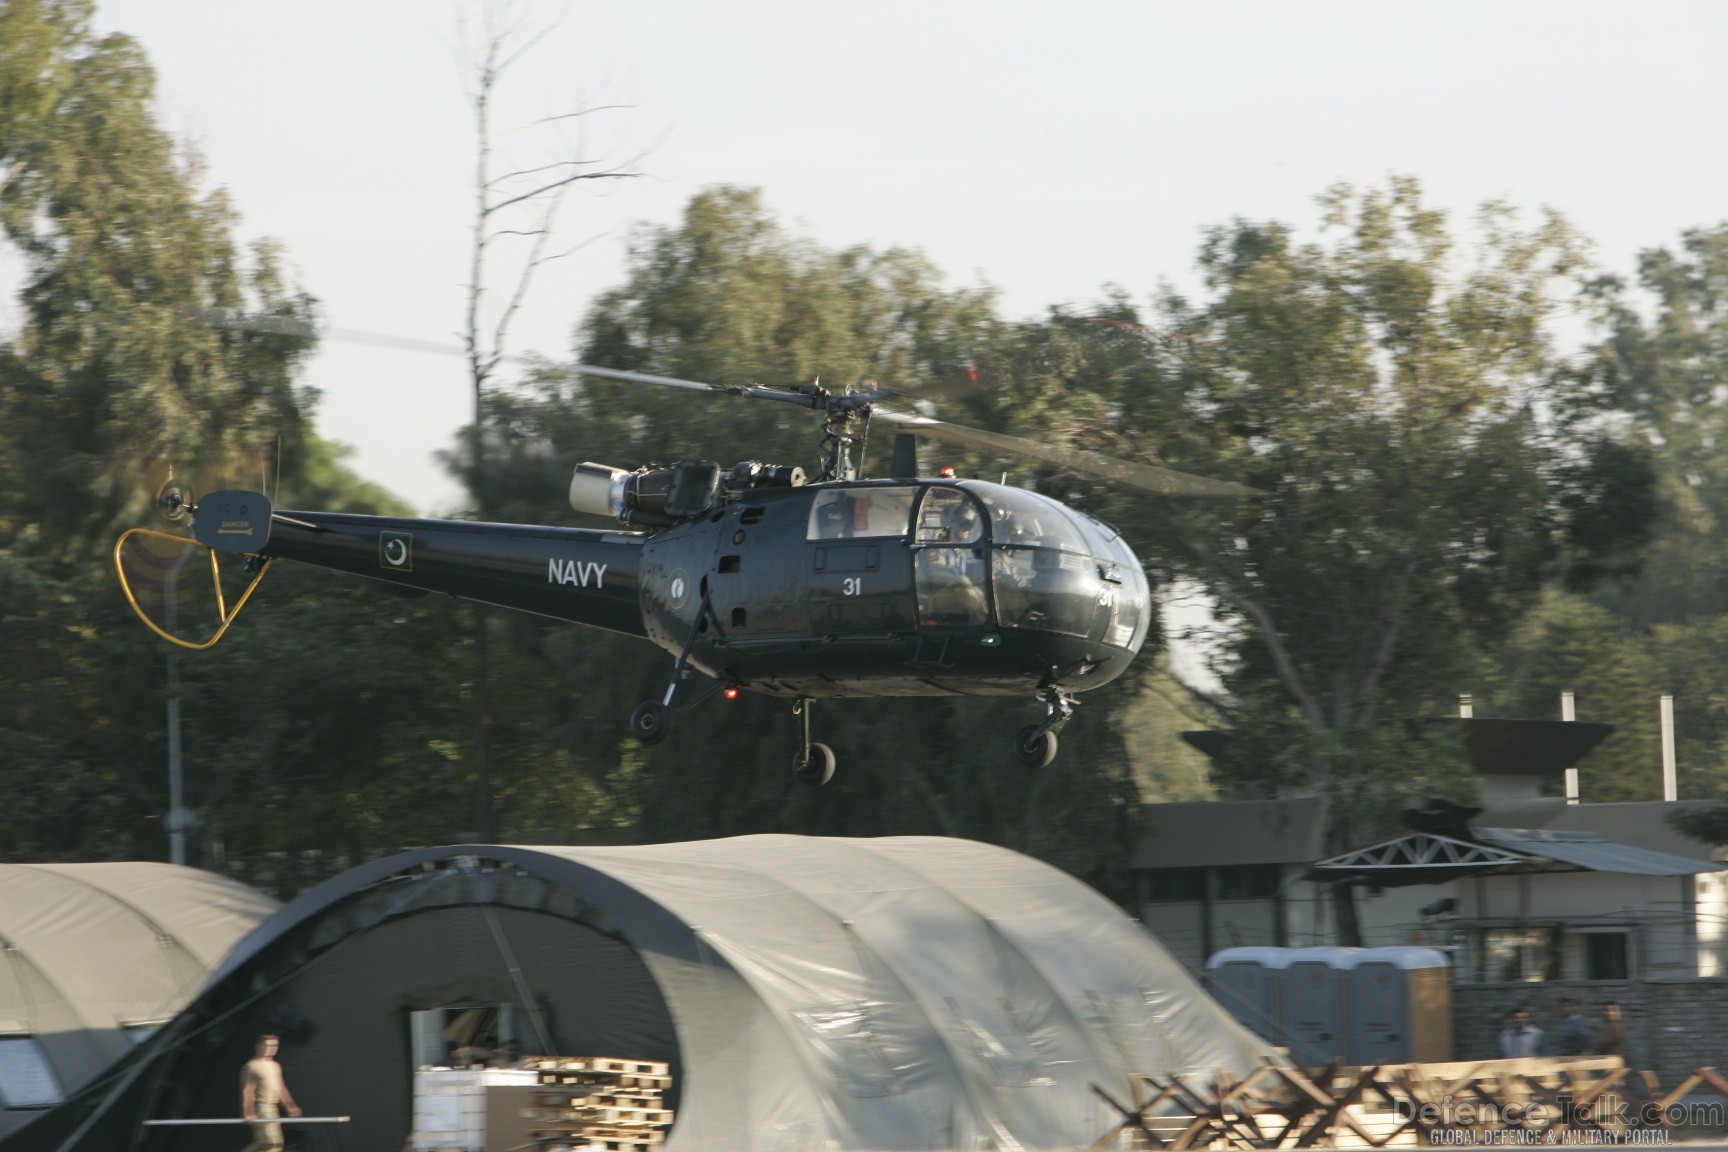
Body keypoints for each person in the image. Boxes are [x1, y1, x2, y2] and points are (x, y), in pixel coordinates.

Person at [240, 1033, 301, 1152]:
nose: (271, 1048)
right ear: (257, 1046)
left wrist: (290, 1105)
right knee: (270, 1143)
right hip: (261, 1107)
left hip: (272, 1108)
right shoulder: (252, 1066)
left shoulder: (275, 1065)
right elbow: (248, 1090)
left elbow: (280, 1088)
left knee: (272, 1145)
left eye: (274, 1045)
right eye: (267, 1045)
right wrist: (248, 1111)